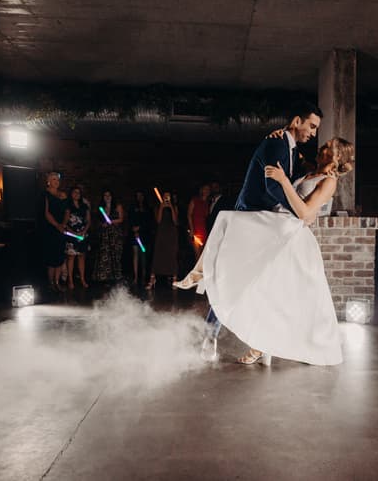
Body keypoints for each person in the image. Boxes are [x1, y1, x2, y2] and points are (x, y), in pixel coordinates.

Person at [178, 136, 352, 367]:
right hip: (273, 227)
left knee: (270, 291)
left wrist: (283, 180)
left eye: (329, 147)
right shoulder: (308, 169)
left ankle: (260, 345)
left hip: (289, 235)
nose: (322, 146)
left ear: (338, 157)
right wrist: (278, 135)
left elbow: (305, 213)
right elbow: (289, 144)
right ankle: (203, 275)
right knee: (238, 260)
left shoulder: (329, 182)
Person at [40, 172, 67, 292]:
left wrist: (63, 224)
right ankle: (50, 283)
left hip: (61, 228)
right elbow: (46, 213)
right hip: (50, 228)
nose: (56, 182)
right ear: (48, 181)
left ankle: (57, 282)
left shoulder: (63, 195)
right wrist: (57, 225)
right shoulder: (44, 194)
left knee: (59, 257)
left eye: (58, 180)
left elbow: (67, 211)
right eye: (54, 179)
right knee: (51, 257)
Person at [92, 190, 125, 283]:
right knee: (105, 254)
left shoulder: (117, 206)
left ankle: (116, 276)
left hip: (115, 234)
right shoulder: (102, 208)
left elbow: (121, 219)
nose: (107, 197)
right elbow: (99, 221)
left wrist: (111, 222)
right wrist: (103, 224)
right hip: (105, 234)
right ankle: (105, 277)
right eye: (105, 195)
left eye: (109, 195)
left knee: (115, 254)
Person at [148, 190, 179, 290]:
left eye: (168, 196)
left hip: (171, 233)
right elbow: (158, 220)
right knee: (158, 253)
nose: (166, 198)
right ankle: (152, 279)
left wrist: (171, 207)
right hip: (161, 232)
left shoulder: (174, 207)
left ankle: (174, 279)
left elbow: (175, 221)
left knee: (171, 254)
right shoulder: (158, 206)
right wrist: (162, 207)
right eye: (165, 196)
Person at [62, 185, 91, 289]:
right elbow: (65, 222)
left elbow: (88, 221)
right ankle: (70, 280)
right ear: (71, 194)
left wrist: (83, 231)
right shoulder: (68, 205)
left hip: (83, 234)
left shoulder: (84, 206)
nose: (77, 194)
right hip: (71, 234)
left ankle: (82, 279)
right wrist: (74, 233)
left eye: (78, 192)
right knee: (71, 258)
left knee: (82, 257)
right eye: (75, 192)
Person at [128, 190, 153, 286]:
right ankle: (135, 276)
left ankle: (143, 275)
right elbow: (130, 219)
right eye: (137, 196)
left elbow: (149, 222)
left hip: (144, 235)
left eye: (141, 195)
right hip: (134, 234)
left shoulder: (148, 209)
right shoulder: (132, 208)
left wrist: (141, 228)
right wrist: (134, 229)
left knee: (143, 254)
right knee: (135, 254)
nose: (139, 198)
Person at [187, 183, 210, 258]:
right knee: (198, 256)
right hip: (196, 230)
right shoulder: (195, 200)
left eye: (208, 189)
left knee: (203, 256)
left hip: (204, 231)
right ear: (201, 190)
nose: (207, 191)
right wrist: (192, 229)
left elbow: (207, 217)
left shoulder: (207, 203)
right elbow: (189, 214)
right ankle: (197, 269)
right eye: (205, 189)